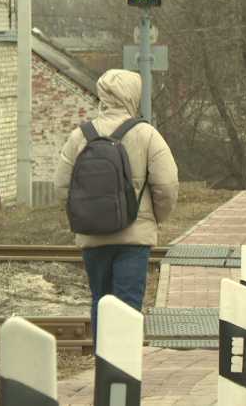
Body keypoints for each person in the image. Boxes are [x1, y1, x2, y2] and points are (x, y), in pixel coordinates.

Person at [55, 69, 178, 345]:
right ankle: (126, 375)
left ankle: (104, 370)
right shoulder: (147, 135)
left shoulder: (80, 135)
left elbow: (61, 186)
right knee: (128, 306)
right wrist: (155, 218)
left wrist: (84, 216)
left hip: (93, 238)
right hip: (133, 239)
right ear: (132, 96)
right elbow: (167, 185)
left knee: (101, 302)